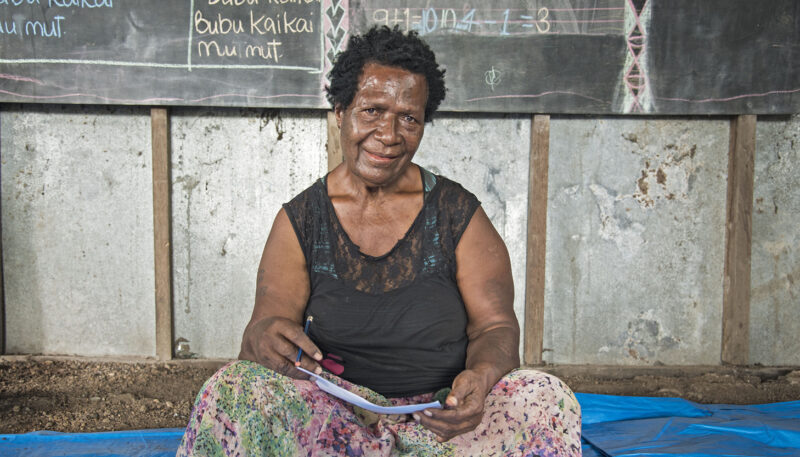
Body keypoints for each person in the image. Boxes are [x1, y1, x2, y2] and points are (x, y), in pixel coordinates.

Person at [177, 26, 581, 457]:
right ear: (340, 111)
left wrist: (480, 378)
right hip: (333, 421)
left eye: (408, 117)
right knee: (234, 388)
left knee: (544, 397)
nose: (388, 134)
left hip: (445, 424)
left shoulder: (457, 214)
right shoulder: (302, 220)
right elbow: (261, 331)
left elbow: (495, 327)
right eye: (371, 110)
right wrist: (264, 339)